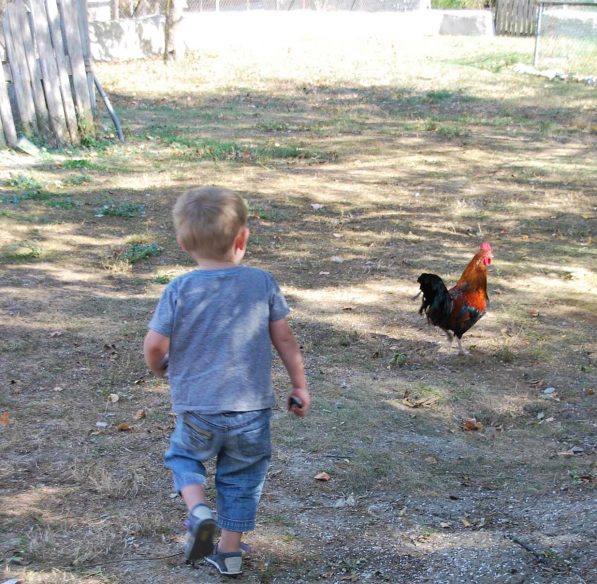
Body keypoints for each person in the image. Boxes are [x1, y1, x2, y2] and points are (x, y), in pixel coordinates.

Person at [144, 186, 310, 577]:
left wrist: (159, 366)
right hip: (251, 410)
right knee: (242, 478)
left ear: (183, 242)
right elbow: (284, 338)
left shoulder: (180, 288)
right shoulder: (261, 282)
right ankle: (229, 554)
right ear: (243, 238)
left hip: (198, 407)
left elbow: (155, 344)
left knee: (184, 457)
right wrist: (299, 385)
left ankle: (199, 510)